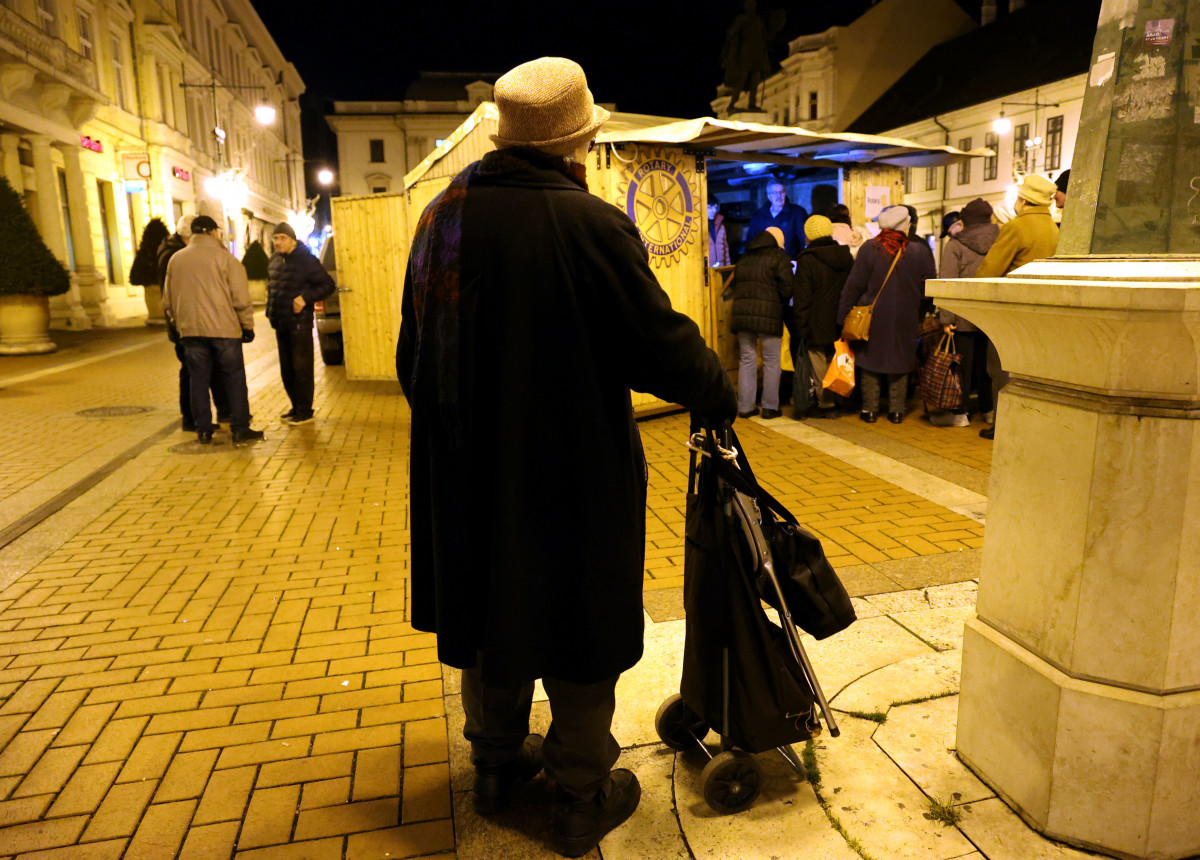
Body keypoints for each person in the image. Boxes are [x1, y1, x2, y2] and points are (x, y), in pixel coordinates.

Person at [395, 57, 735, 858]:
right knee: (578, 617)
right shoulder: (586, 223)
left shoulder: (443, 215)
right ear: (578, 143)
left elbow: (414, 357)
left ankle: (494, 767)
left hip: (466, 476)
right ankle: (582, 794)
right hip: (570, 475)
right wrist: (716, 389)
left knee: (488, 611)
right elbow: (657, 345)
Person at [162, 215, 263, 445]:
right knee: (234, 379)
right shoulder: (226, 259)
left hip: (191, 332)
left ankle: (203, 430)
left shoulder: (176, 260)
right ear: (213, 232)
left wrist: (179, 323)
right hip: (225, 331)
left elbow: (167, 301)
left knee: (197, 379)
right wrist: (246, 325)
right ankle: (240, 427)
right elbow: (240, 297)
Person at [973, 173, 1059, 439]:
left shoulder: (1017, 227)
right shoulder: (1054, 228)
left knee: (1000, 369)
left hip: (1009, 311)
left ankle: (1004, 424)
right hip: (1041, 312)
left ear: (1023, 200)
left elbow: (989, 271)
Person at [837, 205, 936, 424]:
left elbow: (853, 286)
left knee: (870, 362)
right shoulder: (919, 252)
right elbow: (929, 287)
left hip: (873, 318)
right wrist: (920, 311)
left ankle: (870, 410)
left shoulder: (869, 249)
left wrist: (843, 316)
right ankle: (897, 411)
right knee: (900, 363)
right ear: (905, 226)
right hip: (905, 317)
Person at [158, 214, 230, 431]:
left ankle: (208, 417)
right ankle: (192, 419)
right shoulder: (175, 256)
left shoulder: (173, 253)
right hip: (185, 323)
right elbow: (171, 295)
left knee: (199, 370)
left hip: (188, 320)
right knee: (192, 372)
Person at [931, 198, 999, 427]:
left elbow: (948, 283)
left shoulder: (956, 244)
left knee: (962, 365)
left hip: (963, 316)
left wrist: (946, 319)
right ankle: (989, 410)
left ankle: (960, 413)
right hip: (992, 315)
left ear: (966, 219)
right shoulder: (1002, 240)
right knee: (987, 366)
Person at [266, 222, 336, 425]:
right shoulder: (274, 261)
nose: (278, 242)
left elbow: (327, 285)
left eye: (282, 238)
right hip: (281, 324)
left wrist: (305, 298)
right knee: (287, 370)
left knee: (301, 369)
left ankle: (305, 411)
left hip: (299, 324)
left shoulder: (307, 260)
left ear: (292, 240)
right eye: (276, 238)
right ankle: (295, 407)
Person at [793, 214, 854, 417]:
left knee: (819, 363)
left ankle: (826, 404)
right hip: (840, 318)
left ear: (809, 235)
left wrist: (800, 326)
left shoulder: (807, 259)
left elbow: (802, 298)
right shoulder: (846, 257)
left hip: (816, 321)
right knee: (838, 359)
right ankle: (839, 399)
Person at [730, 226, 793, 419]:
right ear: (778, 241)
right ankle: (769, 407)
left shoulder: (744, 257)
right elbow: (788, 287)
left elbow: (735, 284)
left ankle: (746, 407)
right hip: (769, 314)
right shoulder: (778, 257)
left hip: (743, 315)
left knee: (747, 360)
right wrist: (778, 301)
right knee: (771, 361)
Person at [721, 0, 773, 112]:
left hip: (756, 54)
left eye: (753, 5)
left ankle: (752, 104)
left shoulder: (758, 20)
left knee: (755, 80)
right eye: (749, 5)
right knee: (741, 80)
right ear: (746, 7)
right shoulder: (742, 18)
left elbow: (764, 36)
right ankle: (732, 103)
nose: (751, 7)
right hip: (744, 54)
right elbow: (732, 33)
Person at [746, 180, 808, 257]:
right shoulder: (759, 215)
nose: (779, 195)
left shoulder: (797, 213)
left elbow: (804, 240)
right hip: (765, 264)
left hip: (790, 263)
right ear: (769, 196)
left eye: (781, 192)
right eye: (774, 193)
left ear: (785, 193)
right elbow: (751, 242)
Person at [707, 197, 731, 267]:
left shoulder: (721, 226)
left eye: (715, 207)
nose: (714, 210)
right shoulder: (697, 228)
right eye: (710, 207)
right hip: (705, 271)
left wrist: (728, 268)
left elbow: (725, 249)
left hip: (721, 269)